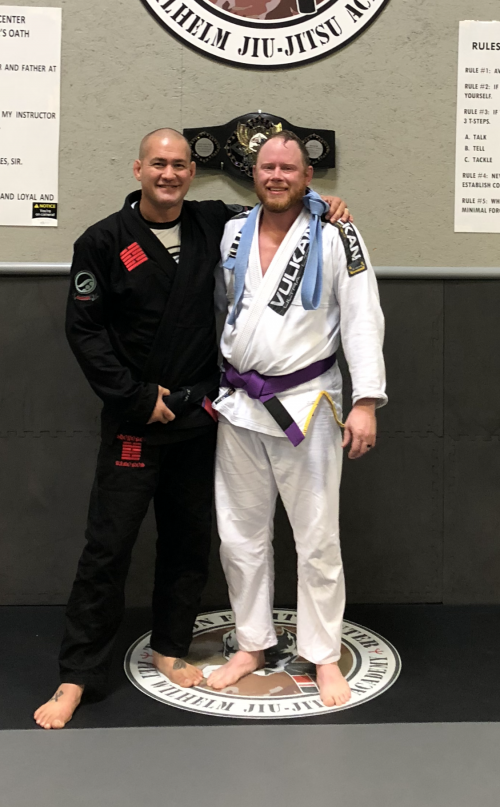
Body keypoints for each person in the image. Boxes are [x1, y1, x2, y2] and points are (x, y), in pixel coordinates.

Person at [34, 127, 349, 729]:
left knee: (188, 542)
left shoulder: (214, 223)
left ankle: (169, 647)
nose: (170, 174)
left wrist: (323, 203)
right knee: (108, 548)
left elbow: (279, 202)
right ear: (138, 170)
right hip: (136, 418)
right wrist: (134, 398)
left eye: (180, 165)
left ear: (191, 173)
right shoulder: (102, 240)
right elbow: (86, 332)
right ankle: (76, 675)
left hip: (199, 416)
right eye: (158, 164)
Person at [206, 131, 387, 707]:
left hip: (307, 404)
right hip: (239, 405)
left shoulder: (337, 233)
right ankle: (251, 644)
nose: (277, 176)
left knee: (316, 538)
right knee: (239, 535)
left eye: (288, 168)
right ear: (253, 174)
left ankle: (323, 654)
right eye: (267, 167)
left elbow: (362, 317)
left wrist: (366, 400)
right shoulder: (233, 232)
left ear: (308, 176)